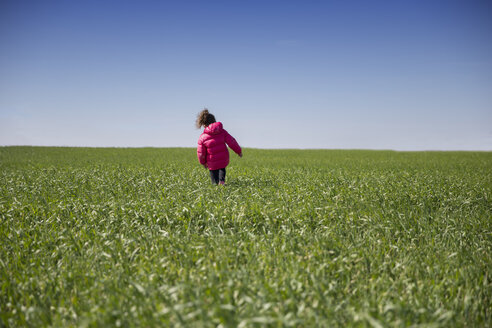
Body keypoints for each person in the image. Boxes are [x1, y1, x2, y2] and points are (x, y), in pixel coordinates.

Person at [196, 109, 242, 185]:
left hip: (211, 161)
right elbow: (232, 142)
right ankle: (222, 181)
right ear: (214, 121)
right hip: (223, 157)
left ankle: (215, 184)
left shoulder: (202, 137)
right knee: (222, 167)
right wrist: (238, 151)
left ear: (204, 125)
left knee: (213, 176)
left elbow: (201, 152)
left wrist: (203, 162)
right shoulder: (222, 131)